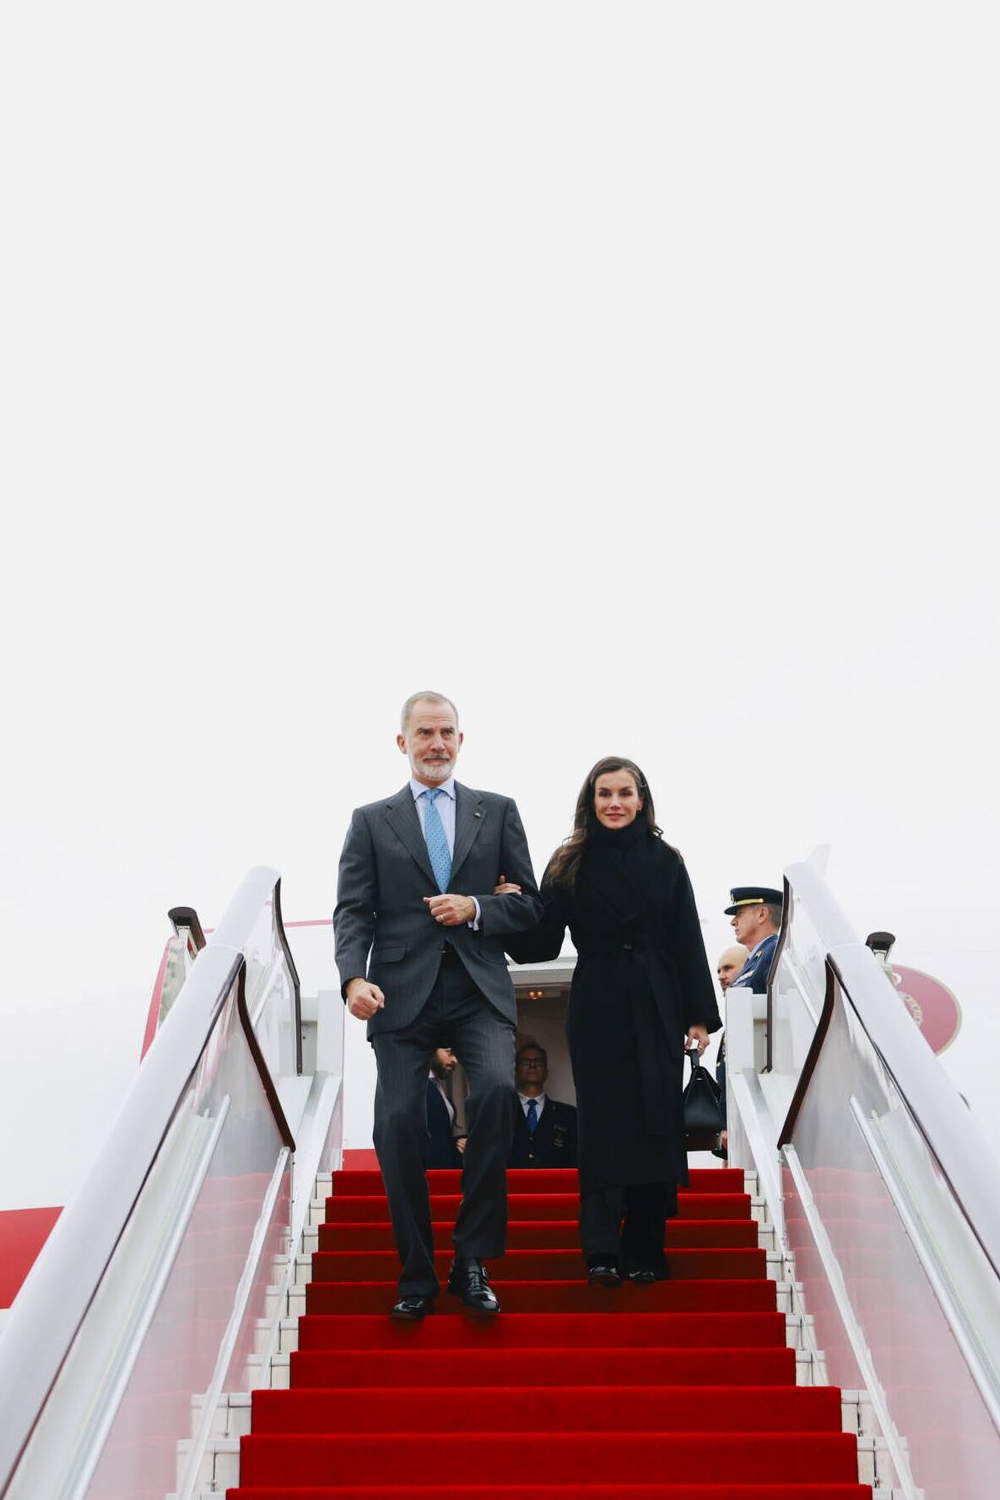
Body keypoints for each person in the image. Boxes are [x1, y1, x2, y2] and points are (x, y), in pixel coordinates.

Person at [334, 691, 542, 1321]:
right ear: (403, 742)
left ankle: (471, 1259)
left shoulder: (497, 811)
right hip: (400, 993)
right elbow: (353, 910)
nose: (437, 743)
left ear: (461, 739)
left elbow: (529, 906)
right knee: (395, 1123)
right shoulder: (371, 820)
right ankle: (417, 1272)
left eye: (447, 731)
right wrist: (352, 980)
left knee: (497, 1095)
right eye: (424, 732)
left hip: (478, 988)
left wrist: (477, 906)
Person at [505, 757, 721, 1285]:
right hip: (598, 1000)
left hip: (656, 1001)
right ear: (591, 801)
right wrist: (511, 907)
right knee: (602, 1126)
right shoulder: (568, 861)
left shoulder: (668, 860)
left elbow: (686, 937)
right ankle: (601, 1250)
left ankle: (645, 1246)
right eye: (605, 794)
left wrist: (697, 1014)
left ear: (642, 799)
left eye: (625, 793)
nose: (615, 803)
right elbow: (541, 943)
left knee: (655, 1120)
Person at [508, 1040, 578, 1168]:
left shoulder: (568, 1115)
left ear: (546, 1072)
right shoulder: (503, 1112)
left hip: (555, 1186)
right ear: (516, 1071)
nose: (532, 1065)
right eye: (525, 1061)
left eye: (538, 1061)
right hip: (511, 1186)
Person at [712, 943, 748, 1158]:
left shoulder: (745, 1021)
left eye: (728, 968)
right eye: (719, 971)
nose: (721, 976)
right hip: (733, 1131)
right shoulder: (732, 1024)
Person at [725, 887, 783, 992]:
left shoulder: (771, 952)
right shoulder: (757, 959)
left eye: (740, 913)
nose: (733, 922)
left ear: (761, 914)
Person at [425, 1047, 465, 1169]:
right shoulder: (418, 1086)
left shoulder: (437, 1087)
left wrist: (459, 1142)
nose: (455, 1060)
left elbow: (440, 1135)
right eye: (449, 1053)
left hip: (445, 1173)